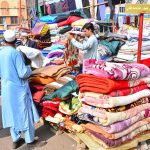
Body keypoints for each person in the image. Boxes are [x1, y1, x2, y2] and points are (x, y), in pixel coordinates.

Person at [0, 30, 46, 149]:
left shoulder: (1, 52)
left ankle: (15, 140)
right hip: (18, 89)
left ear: (4, 41)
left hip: (6, 88)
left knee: (12, 113)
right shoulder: (15, 53)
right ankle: (30, 141)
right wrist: (30, 67)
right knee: (25, 114)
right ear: (16, 41)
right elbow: (22, 73)